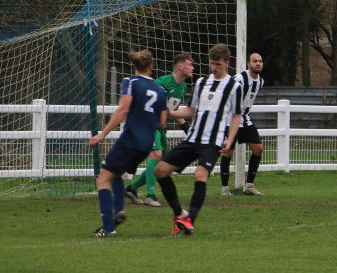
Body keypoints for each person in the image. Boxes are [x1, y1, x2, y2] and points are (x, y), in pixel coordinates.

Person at [154, 43, 242, 235]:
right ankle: (179, 213)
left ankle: (189, 220)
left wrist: (231, 139)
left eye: (218, 64)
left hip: (213, 142)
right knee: (161, 170)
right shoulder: (202, 83)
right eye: (212, 63)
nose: (214, 67)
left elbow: (236, 116)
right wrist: (168, 112)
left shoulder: (234, 86)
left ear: (227, 63)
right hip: (193, 139)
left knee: (200, 175)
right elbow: (191, 110)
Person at [87, 50, 168, 237]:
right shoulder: (160, 90)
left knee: (102, 180)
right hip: (146, 145)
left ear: (135, 66)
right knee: (115, 173)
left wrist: (102, 134)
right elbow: (162, 123)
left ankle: (108, 229)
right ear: (150, 66)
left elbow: (123, 110)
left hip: (130, 139)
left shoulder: (130, 83)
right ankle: (119, 211)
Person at [125, 53, 195, 207]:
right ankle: (151, 195)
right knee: (156, 155)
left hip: (160, 126)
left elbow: (173, 109)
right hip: (148, 123)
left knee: (162, 164)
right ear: (180, 66)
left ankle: (132, 188)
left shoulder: (182, 87)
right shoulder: (161, 83)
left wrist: (186, 128)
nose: (193, 68)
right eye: (190, 65)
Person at [220, 52, 266, 196]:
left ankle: (249, 186)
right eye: (254, 61)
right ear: (248, 64)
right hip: (231, 120)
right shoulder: (239, 78)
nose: (258, 63)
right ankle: (225, 189)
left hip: (245, 119)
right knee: (228, 152)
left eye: (260, 61)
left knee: (258, 149)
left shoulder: (260, 82)